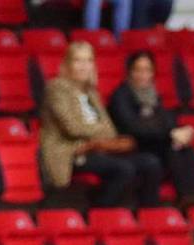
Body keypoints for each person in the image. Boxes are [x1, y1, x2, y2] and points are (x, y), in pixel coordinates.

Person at [39, 42, 161, 210]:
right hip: (72, 151)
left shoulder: (91, 92)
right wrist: (99, 134)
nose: (84, 66)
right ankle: (99, 212)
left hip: (98, 148)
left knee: (150, 163)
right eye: (78, 61)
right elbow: (72, 127)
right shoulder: (56, 88)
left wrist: (99, 140)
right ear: (67, 64)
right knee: (123, 168)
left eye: (88, 61)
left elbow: (110, 129)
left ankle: (148, 215)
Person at [108, 51, 194, 204]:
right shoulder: (121, 96)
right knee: (161, 156)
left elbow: (167, 121)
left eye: (147, 70)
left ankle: (193, 196)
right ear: (130, 72)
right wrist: (170, 134)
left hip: (154, 144)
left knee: (182, 146)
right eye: (138, 70)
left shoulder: (153, 95)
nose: (143, 75)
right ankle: (170, 204)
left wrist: (182, 131)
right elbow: (133, 128)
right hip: (131, 148)